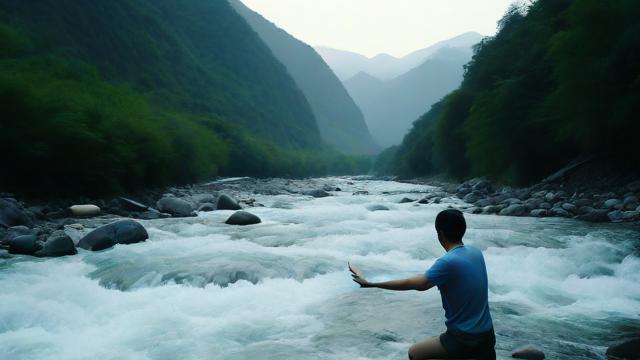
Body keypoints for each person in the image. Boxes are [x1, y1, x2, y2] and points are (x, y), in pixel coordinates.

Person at [349, 209, 495, 359]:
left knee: (414, 353)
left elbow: (417, 284)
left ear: (440, 233)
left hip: (464, 339)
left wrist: (372, 284)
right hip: (488, 336)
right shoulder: (475, 252)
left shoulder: (448, 262)